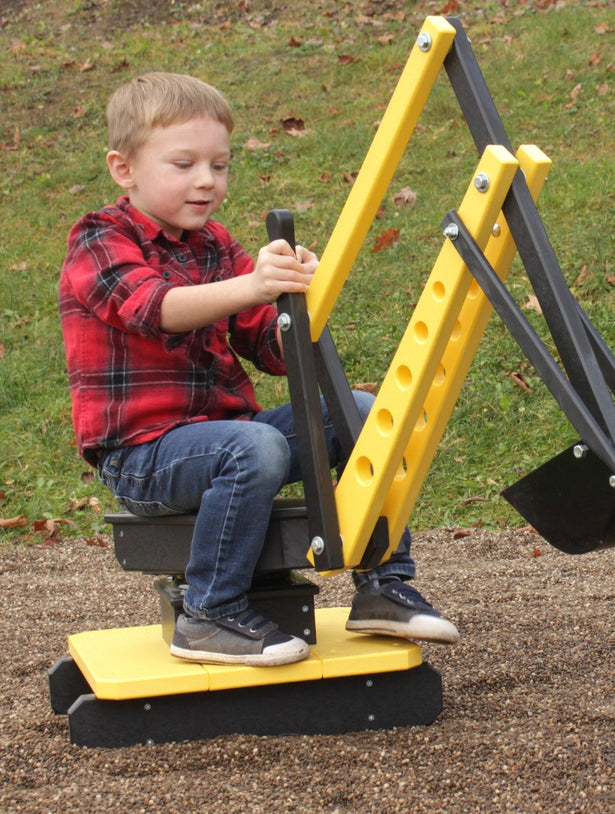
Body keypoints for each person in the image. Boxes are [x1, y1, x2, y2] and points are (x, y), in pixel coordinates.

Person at [59, 72, 458, 668]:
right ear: (125, 169)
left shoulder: (214, 245)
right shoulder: (99, 238)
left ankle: (382, 584)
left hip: (235, 442)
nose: (205, 181)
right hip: (143, 456)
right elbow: (155, 308)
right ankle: (209, 614)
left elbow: (271, 350)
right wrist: (251, 284)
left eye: (219, 166)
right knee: (254, 446)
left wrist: (298, 299)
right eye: (184, 164)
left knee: (366, 413)